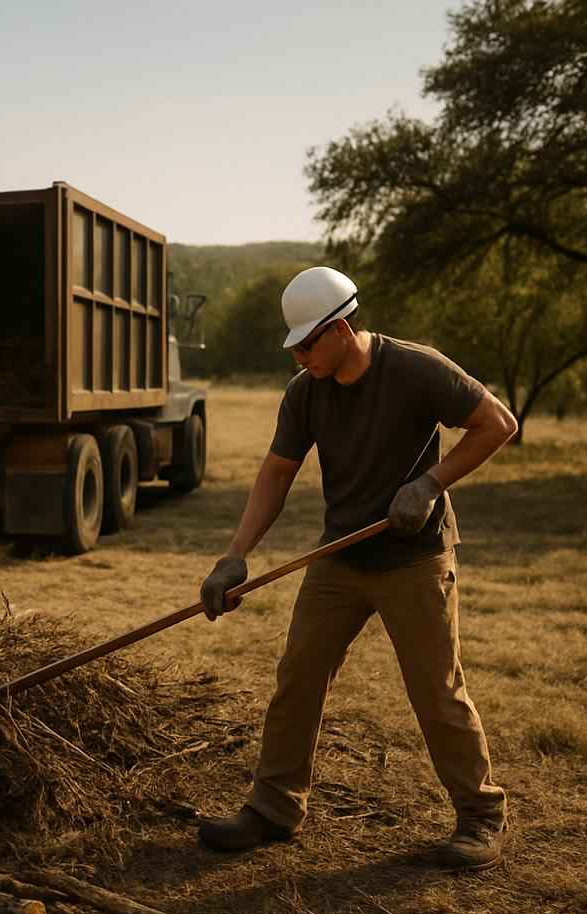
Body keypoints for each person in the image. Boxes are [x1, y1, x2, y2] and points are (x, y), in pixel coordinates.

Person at [196, 267, 519, 870]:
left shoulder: (417, 368)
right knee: (298, 677)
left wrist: (429, 482)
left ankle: (480, 816)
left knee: (436, 689)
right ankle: (274, 808)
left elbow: (498, 424)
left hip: (415, 559)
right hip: (340, 557)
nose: (298, 355)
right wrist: (234, 556)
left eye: (307, 343)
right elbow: (275, 475)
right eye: (293, 345)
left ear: (341, 329)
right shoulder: (307, 392)